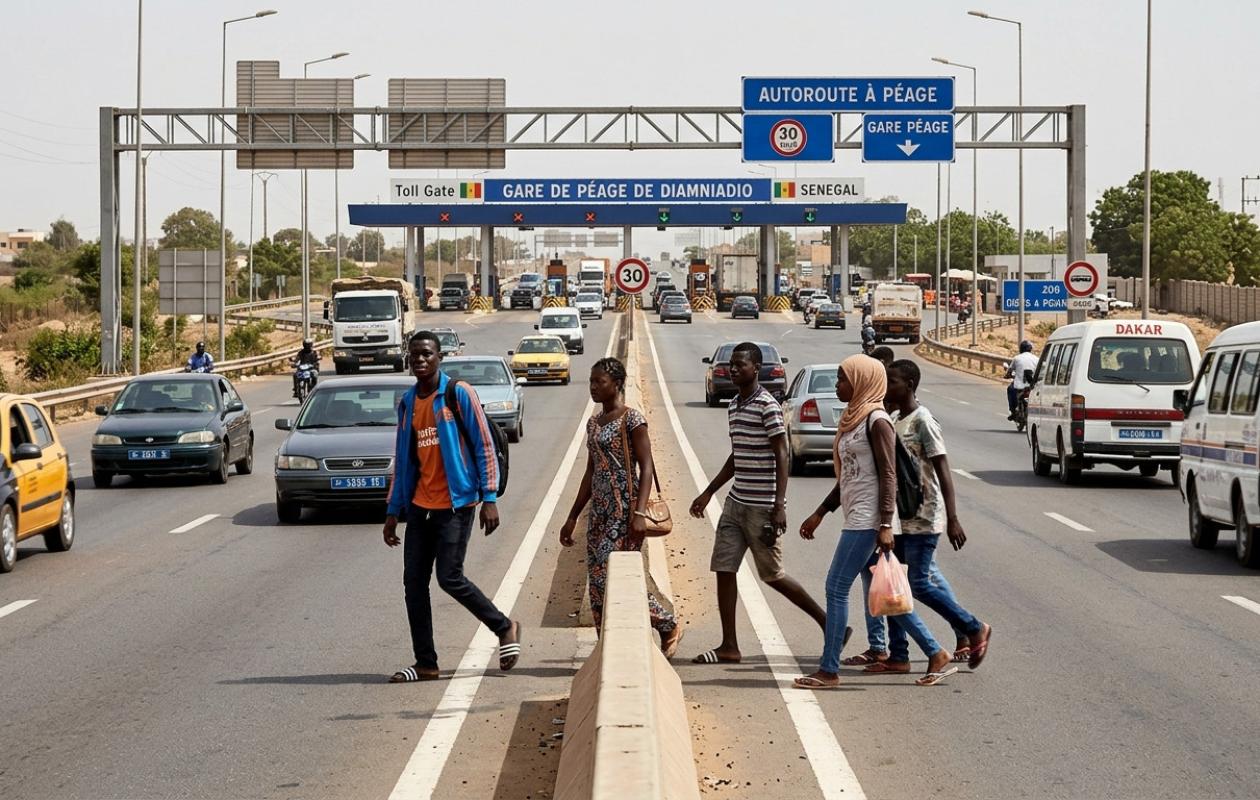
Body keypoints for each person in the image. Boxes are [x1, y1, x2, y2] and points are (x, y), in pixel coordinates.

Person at [794, 354, 952, 689]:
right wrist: (821, 512)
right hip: (856, 514)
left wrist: (885, 524)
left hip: (868, 520)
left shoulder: (878, 421)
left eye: (843, 379)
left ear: (862, 382)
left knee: (836, 587)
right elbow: (850, 476)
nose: (838, 385)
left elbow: (889, 475)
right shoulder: (855, 418)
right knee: (888, 593)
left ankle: (829, 669)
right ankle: (935, 652)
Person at [383, 331, 521, 683]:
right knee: (414, 584)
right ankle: (426, 663)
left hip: (456, 504)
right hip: (420, 506)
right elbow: (403, 457)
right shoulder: (408, 402)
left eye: (427, 354)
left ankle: (504, 627)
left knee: (449, 577)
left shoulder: (457, 393)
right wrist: (393, 510)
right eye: (415, 354)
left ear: (439, 357)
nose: (420, 360)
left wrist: (489, 498)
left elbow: (484, 445)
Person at [689, 342, 829, 665]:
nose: (733, 369)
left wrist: (779, 505)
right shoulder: (734, 405)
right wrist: (709, 492)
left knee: (773, 575)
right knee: (724, 568)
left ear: (756, 368)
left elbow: (782, 452)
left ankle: (827, 623)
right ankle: (729, 646)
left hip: (762, 507)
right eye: (732, 365)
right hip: (736, 502)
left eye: (740, 365)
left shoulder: (768, 405)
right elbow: (737, 454)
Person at [560, 358, 683, 657]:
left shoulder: (632, 420)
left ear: (616, 384)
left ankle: (667, 624)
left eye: (599, 382)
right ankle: (605, 644)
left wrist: (638, 513)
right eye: (591, 381)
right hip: (599, 513)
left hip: (624, 511)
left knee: (613, 578)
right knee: (596, 582)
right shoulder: (593, 423)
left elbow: (647, 467)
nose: (593, 387)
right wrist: (573, 516)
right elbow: (591, 471)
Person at [876, 359, 992, 673]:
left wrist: (953, 518)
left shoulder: (924, 420)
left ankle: (974, 627)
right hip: (901, 518)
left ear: (909, 385)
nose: (888, 386)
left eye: (893, 381)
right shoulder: (894, 419)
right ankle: (898, 654)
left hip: (925, 516)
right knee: (894, 584)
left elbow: (943, 469)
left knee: (919, 584)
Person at [1006, 339, 1039, 421]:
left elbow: (1009, 371)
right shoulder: (1036, 359)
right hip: (1032, 385)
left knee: (1010, 389)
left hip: (1019, 385)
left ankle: (1013, 411)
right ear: (1030, 349)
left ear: (1021, 348)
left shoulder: (1017, 358)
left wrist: (1007, 375)